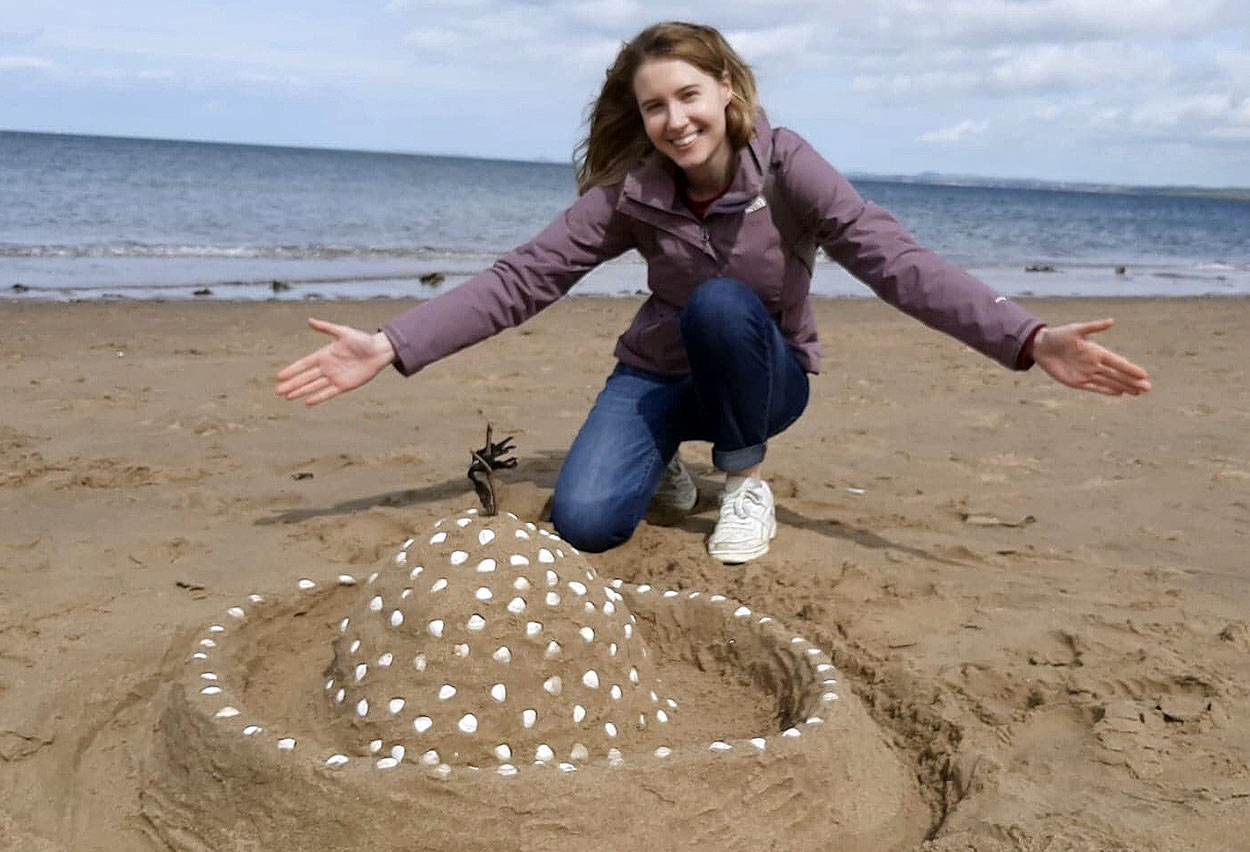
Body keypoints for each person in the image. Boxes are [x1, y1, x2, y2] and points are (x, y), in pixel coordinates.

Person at [275, 21, 1151, 564]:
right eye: (654, 106)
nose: (675, 120)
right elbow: (523, 278)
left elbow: (897, 260)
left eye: (688, 95)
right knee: (583, 521)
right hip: (660, 373)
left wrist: (1028, 338)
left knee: (723, 304)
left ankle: (743, 482)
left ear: (726, 90)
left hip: (766, 377)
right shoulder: (632, 190)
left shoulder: (790, 165)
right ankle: (664, 462)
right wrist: (392, 344)